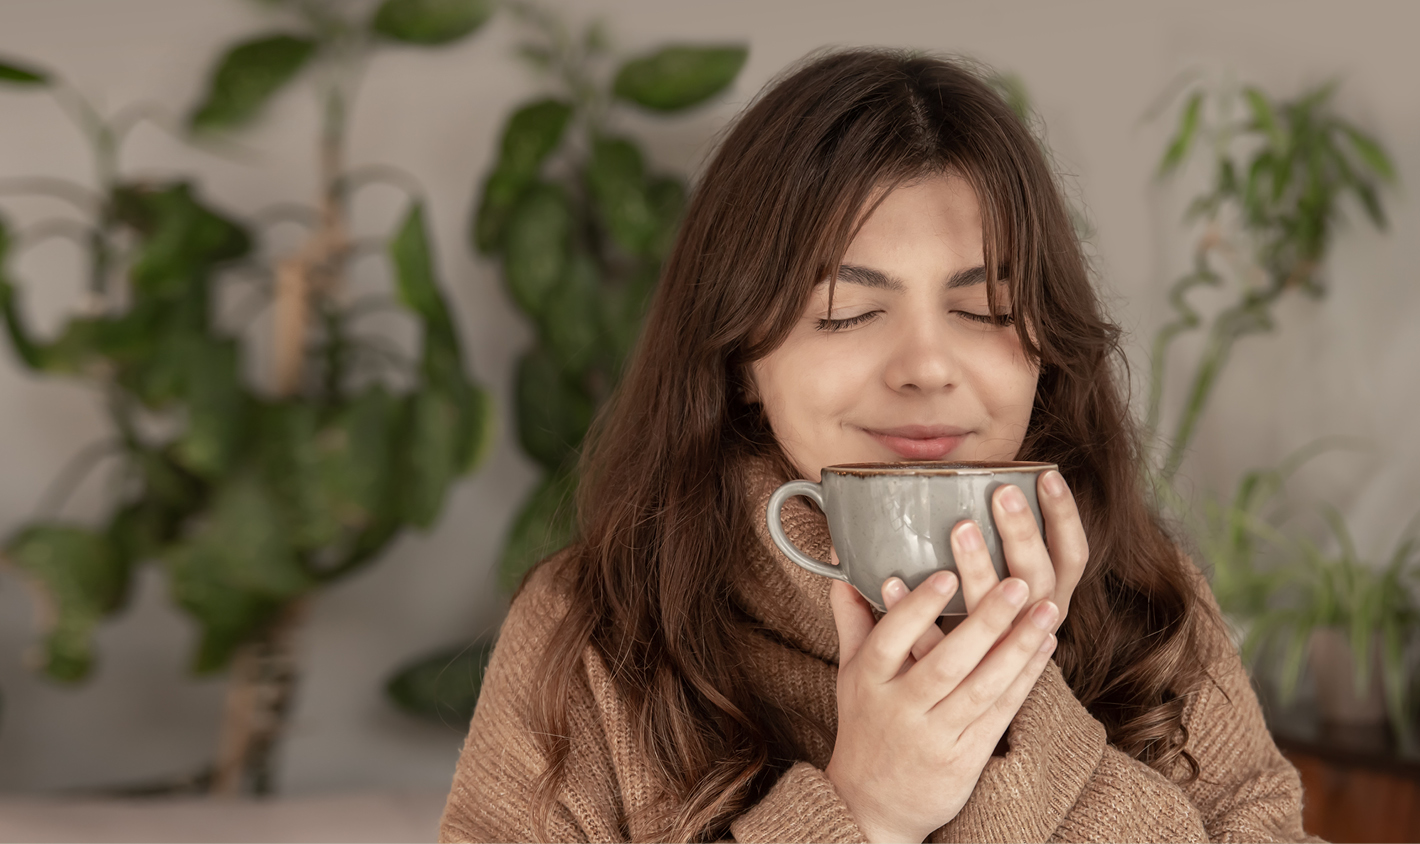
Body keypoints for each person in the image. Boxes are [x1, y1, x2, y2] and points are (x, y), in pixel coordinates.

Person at [438, 49, 1318, 843]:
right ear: (742, 357)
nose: (927, 367)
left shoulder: (1143, 591)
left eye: (983, 309)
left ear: (1047, 350)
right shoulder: (595, 629)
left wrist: (1024, 720)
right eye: (847, 311)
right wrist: (861, 810)